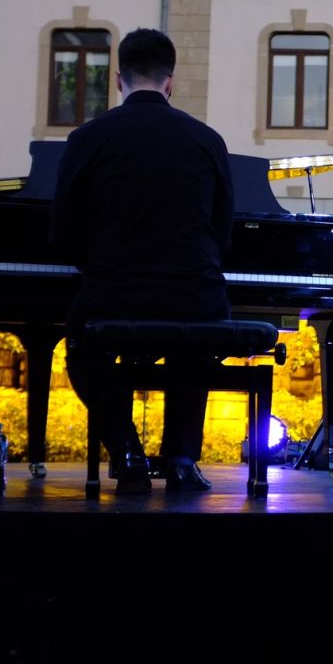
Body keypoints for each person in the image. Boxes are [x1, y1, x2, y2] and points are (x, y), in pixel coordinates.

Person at [52, 28, 234, 496]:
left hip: (115, 293)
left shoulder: (87, 138)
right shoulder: (207, 140)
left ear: (119, 79)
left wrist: (100, 263)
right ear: (171, 81)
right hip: (194, 295)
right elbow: (221, 234)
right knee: (196, 339)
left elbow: (63, 234)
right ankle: (181, 460)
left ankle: (127, 450)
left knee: (82, 348)